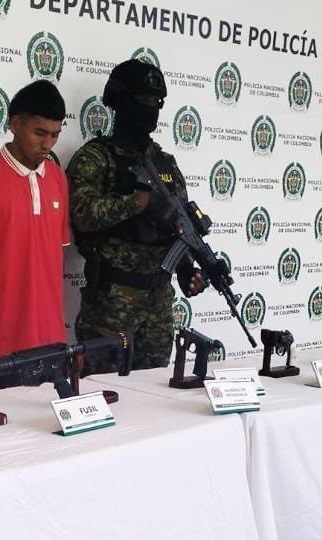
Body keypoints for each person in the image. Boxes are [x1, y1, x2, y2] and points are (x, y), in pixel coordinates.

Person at [67, 59, 206, 371]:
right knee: (103, 386)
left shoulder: (165, 163)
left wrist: (186, 269)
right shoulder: (96, 157)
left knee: (155, 390)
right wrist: (139, 202)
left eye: (157, 102)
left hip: (158, 305)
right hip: (112, 304)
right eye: (142, 100)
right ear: (118, 101)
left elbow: (178, 226)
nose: (150, 109)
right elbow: (82, 215)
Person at [0, 80, 69, 372]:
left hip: (51, 341)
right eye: (39, 133)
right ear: (15, 124)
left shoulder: (58, 178)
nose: (48, 144)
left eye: (55, 135)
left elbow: (55, 260)